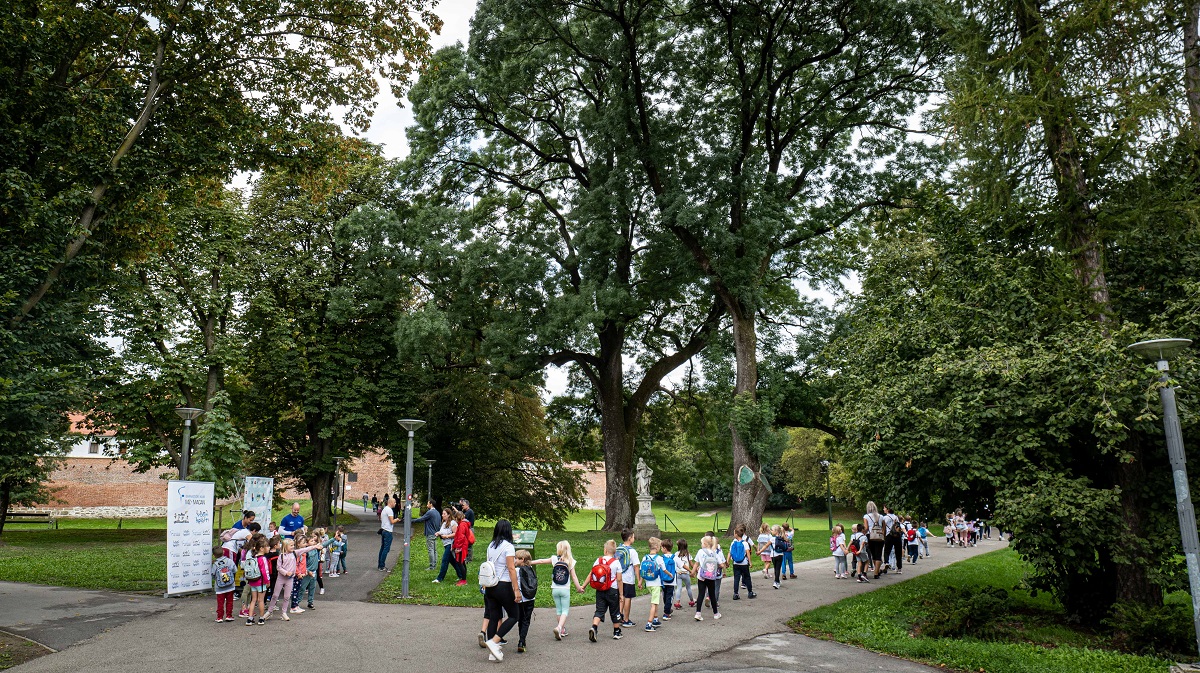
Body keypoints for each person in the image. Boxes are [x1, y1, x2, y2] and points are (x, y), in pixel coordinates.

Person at [481, 520, 520, 662]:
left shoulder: (491, 545)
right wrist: (516, 589)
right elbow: (511, 569)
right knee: (514, 615)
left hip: (490, 585)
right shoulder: (509, 547)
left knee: (494, 616)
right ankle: (494, 641)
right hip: (503, 585)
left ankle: (492, 652)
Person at [531, 540, 585, 640]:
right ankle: (559, 627)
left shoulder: (554, 559)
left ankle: (562, 630)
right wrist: (579, 588)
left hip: (555, 589)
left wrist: (529, 562)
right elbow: (574, 576)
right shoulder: (570, 561)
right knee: (565, 610)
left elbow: (541, 561)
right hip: (565, 589)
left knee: (559, 610)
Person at [586, 539, 624, 642]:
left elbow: (591, 574)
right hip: (612, 590)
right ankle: (616, 631)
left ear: (605, 550)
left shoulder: (598, 560)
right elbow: (619, 579)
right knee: (615, 610)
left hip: (600, 589)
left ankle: (594, 627)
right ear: (614, 552)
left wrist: (584, 586)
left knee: (599, 610)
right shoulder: (616, 562)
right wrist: (621, 594)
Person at [691, 534, 725, 620]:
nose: (701, 544)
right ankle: (716, 613)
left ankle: (698, 613)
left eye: (702, 543)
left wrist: (692, 572)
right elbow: (721, 564)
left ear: (705, 544)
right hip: (711, 577)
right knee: (712, 595)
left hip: (701, 576)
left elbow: (696, 563)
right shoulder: (714, 553)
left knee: (701, 594)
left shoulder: (700, 552)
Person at [243, 535, 271, 625]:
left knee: (253, 600)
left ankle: (250, 618)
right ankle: (261, 618)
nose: (269, 548)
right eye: (267, 546)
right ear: (262, 548)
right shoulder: (263, 558)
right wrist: (268, 581)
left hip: (253, 581)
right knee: (261, 600)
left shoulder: (253, 557)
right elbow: (265, 571)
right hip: (261, 582)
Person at [641, 537, 666, 632]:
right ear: (657, 547)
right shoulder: (659, 558)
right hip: (656, 583)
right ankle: (649, 623)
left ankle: (655, 619)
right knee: (654, 604)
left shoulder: (645, 557)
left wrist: (640, 582)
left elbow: (642, 571)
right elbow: (664, 569)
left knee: (655, 601)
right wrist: (670, 574)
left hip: (648, 583)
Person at [616, 529, 640, 629]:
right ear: (630, 538)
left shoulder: (618, 549)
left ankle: (619, 616)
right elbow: (636, 566)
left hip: (619, 578)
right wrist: (639, 579)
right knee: (627, 598)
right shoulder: (632, 551)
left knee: (620, 597)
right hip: (628, 578)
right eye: (633, 537)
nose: (634, 538)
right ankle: (626, 619)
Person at [514, 550, 537, 652]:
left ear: (522, 559)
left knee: (520, 619)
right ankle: (522, 641)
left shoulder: (517, 571)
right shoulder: (531, 569)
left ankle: (521, 640)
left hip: (520, 598)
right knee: (526, 620)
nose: (514, 560)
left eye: (516, 558)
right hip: (530, 598)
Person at [410, 501, 441, 571]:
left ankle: (432, 566)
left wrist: (411, 520)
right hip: (436, 533)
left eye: (428, 503)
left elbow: (421, 519)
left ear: (431, 504)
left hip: (430, 533)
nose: (427, 505)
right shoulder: (437, 512)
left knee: (431, 550)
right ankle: (434, 564)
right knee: (434, 550)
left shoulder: (430, 512)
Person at [728, 523, 756, 600]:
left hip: (735, 563)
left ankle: (735, 594)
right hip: (744, 563)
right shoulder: (745, 543)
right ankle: (750, 592)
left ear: (736, 534)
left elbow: (730, 553)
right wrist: (750, 562)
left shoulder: (733, 543)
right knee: (747, 577)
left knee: (736, 578)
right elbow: (748, 553)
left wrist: (728, 561)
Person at [212, 546, 237, 622]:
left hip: (219, 588)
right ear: (223, 552)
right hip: (230, 586)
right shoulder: (229, 561)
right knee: (230, 601)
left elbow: (213, 574)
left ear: (214, 555)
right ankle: (229, 615)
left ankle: (219, 617)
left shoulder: (215, 564)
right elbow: (235, 570)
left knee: (220, 603)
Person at [863, 501, 886, 579]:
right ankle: (876, 573)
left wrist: (863, 533)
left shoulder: (866, 516)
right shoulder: (881, 516)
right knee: (878, 554)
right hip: (879, 536)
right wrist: (883, 535)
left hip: (870, 536)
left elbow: (866, 528)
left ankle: (876, 570)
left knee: (873, 554)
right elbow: (884, 527)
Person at [450, 508, 472, 586]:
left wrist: (458, 548)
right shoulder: (464, 524)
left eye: (455, 518)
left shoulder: (462, 525)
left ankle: (463, 580)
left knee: (460, 562)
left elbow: (460, 537)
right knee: (462, 562)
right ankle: (463, 578)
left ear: (457, 517)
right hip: (463, 545)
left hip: (461, 546)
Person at [378, 497, 399, 571]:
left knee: (382, 548)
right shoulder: (389, 510)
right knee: (386, 549)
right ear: (391, 502)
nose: (395, 504)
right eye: (394, 502)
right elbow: (392, 521)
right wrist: (396, 520)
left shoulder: (384, 509)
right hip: (388, 531)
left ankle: (380, 564)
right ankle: (382, 566)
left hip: (383, 529)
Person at [660, 539, 678, 620]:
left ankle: (667, 609)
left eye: (661, 547)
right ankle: (667, 613)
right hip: (672, 581)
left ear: (664, 548)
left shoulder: (661, 558)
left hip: (663, 581)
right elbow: (681, 565)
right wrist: (690, 571)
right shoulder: (675, 558)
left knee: (665, 596)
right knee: (669, 597)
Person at [674, 538, 694, 608]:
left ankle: (677, 602)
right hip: (686, 573)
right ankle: (692, 600)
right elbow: (691, 564)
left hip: (678, 573)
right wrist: (694, 570)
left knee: (679, 588)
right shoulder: (688, 554)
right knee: (688, 588)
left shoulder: (676, 554)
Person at [883, 507, 903, 575]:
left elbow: (884, 528)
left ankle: (886, 562)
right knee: (898, 552)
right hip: (897, 536)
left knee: (887, 551)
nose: (883, 509)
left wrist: (884, 536)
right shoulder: (896, 517)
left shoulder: (885, 518)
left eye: (884, 508)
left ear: (888, 510)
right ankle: (899, 568)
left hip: (889, 535)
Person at [770, 524, 786, 589]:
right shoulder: (781, 538)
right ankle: (777, 581)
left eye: (772, 530)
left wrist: (759, 551)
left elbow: (766, 545)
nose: (771, 531)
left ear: (776, 531)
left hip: (773, 555)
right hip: (780, 554)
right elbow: (786, 540)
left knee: (775, 568)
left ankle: (776, 581)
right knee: (778, 568)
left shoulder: (772, 539)